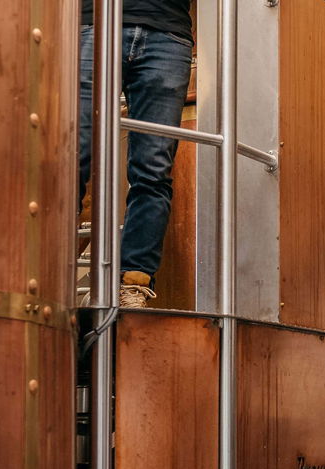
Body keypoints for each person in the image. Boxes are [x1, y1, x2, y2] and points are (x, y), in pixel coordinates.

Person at [79, 0, 194, 307]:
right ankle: (46, 275)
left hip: (168, 31)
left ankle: (132, 282)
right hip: (94, 22)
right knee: (72, 157)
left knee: (153, 170)